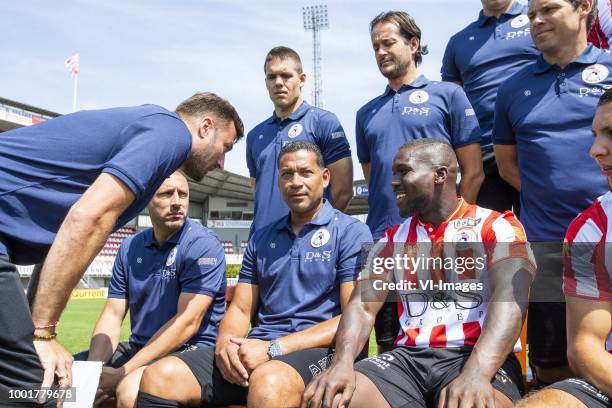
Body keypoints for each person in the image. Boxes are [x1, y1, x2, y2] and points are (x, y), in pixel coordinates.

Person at [0, 92, 243, 404]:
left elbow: (59, 242)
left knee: (37, 379)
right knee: (34, 385)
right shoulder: (170, 133)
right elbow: (89, 217)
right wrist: (42, 334)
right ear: (205, 127)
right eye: (226, 147)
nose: (222, 162)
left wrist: (39, 330)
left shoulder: (149, 134)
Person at [135, 141, 372, 408]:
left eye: (305, 172)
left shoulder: (356, 233)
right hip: (257, 351)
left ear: (325, 177)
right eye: (286, 174)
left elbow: (355, 314)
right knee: (160, 376)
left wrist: (275, 348)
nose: (295, 182)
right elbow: (240, 308)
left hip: (317, 352)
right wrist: (226, 344)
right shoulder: (261, 237)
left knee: (268, 383)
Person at [302, 139, 535, 408]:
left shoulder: (497, 225)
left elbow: (511, 301)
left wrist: (477, 373)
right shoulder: (388, 240)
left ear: (440, 175)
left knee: (470, 403)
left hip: (478, 355)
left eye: (404, 171)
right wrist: (341, 364)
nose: (393, 182)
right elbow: (362, 307)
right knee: (329, 398)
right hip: (409, 360)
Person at [493, 0, 608, 386]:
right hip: (546, 247)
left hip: (607, 243)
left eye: (548, 9)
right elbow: (507, 165)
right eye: (530, 15)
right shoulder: (512, 88)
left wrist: (595, 215)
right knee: (552, 365)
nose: (536, 21)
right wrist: (552, 196)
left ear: (584, 8)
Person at [357, 10, 484, 352]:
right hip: (386, 245)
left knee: (449, 345)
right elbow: (377, 184)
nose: (381, 51)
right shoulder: (365, 113)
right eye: (375, 46)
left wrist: (456, 233)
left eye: (388, 42)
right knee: (388, 350)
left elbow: (472, 171)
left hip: (443, 246)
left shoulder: (448, 96)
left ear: (413, 44)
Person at [73, 172, 226, 408]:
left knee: (129, 391)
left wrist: (123, 371)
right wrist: (93, 372)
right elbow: (113, 315)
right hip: (141, 346)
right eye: (166, 193)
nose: (177, 201)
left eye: (183, 194)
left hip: (190, 348)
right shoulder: (129, 247)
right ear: (145, 200)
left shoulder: (202, 244)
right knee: (65, 375)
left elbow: (187, 322)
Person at [514, 88, 612, 408]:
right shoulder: (590, 229)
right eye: (596, 135)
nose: (595, 150)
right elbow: (585, 346)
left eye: (610, 133)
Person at [442, 0, 539, 213]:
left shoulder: (538, 21)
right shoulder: (458, 42)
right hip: (483, 153)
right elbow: (451, 102)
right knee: (490, 242)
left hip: (531, 146)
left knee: (543, 239)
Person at [247, 46, 353, 233]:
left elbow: (343, 191)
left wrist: (315, 233)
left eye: (286, 75)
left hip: (310, 241)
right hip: (263, 242)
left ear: (302, 79)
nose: (278, 82)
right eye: (272, 77)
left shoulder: (324, 122)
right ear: (266, 83)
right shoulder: (255, 135)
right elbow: (258, 193)